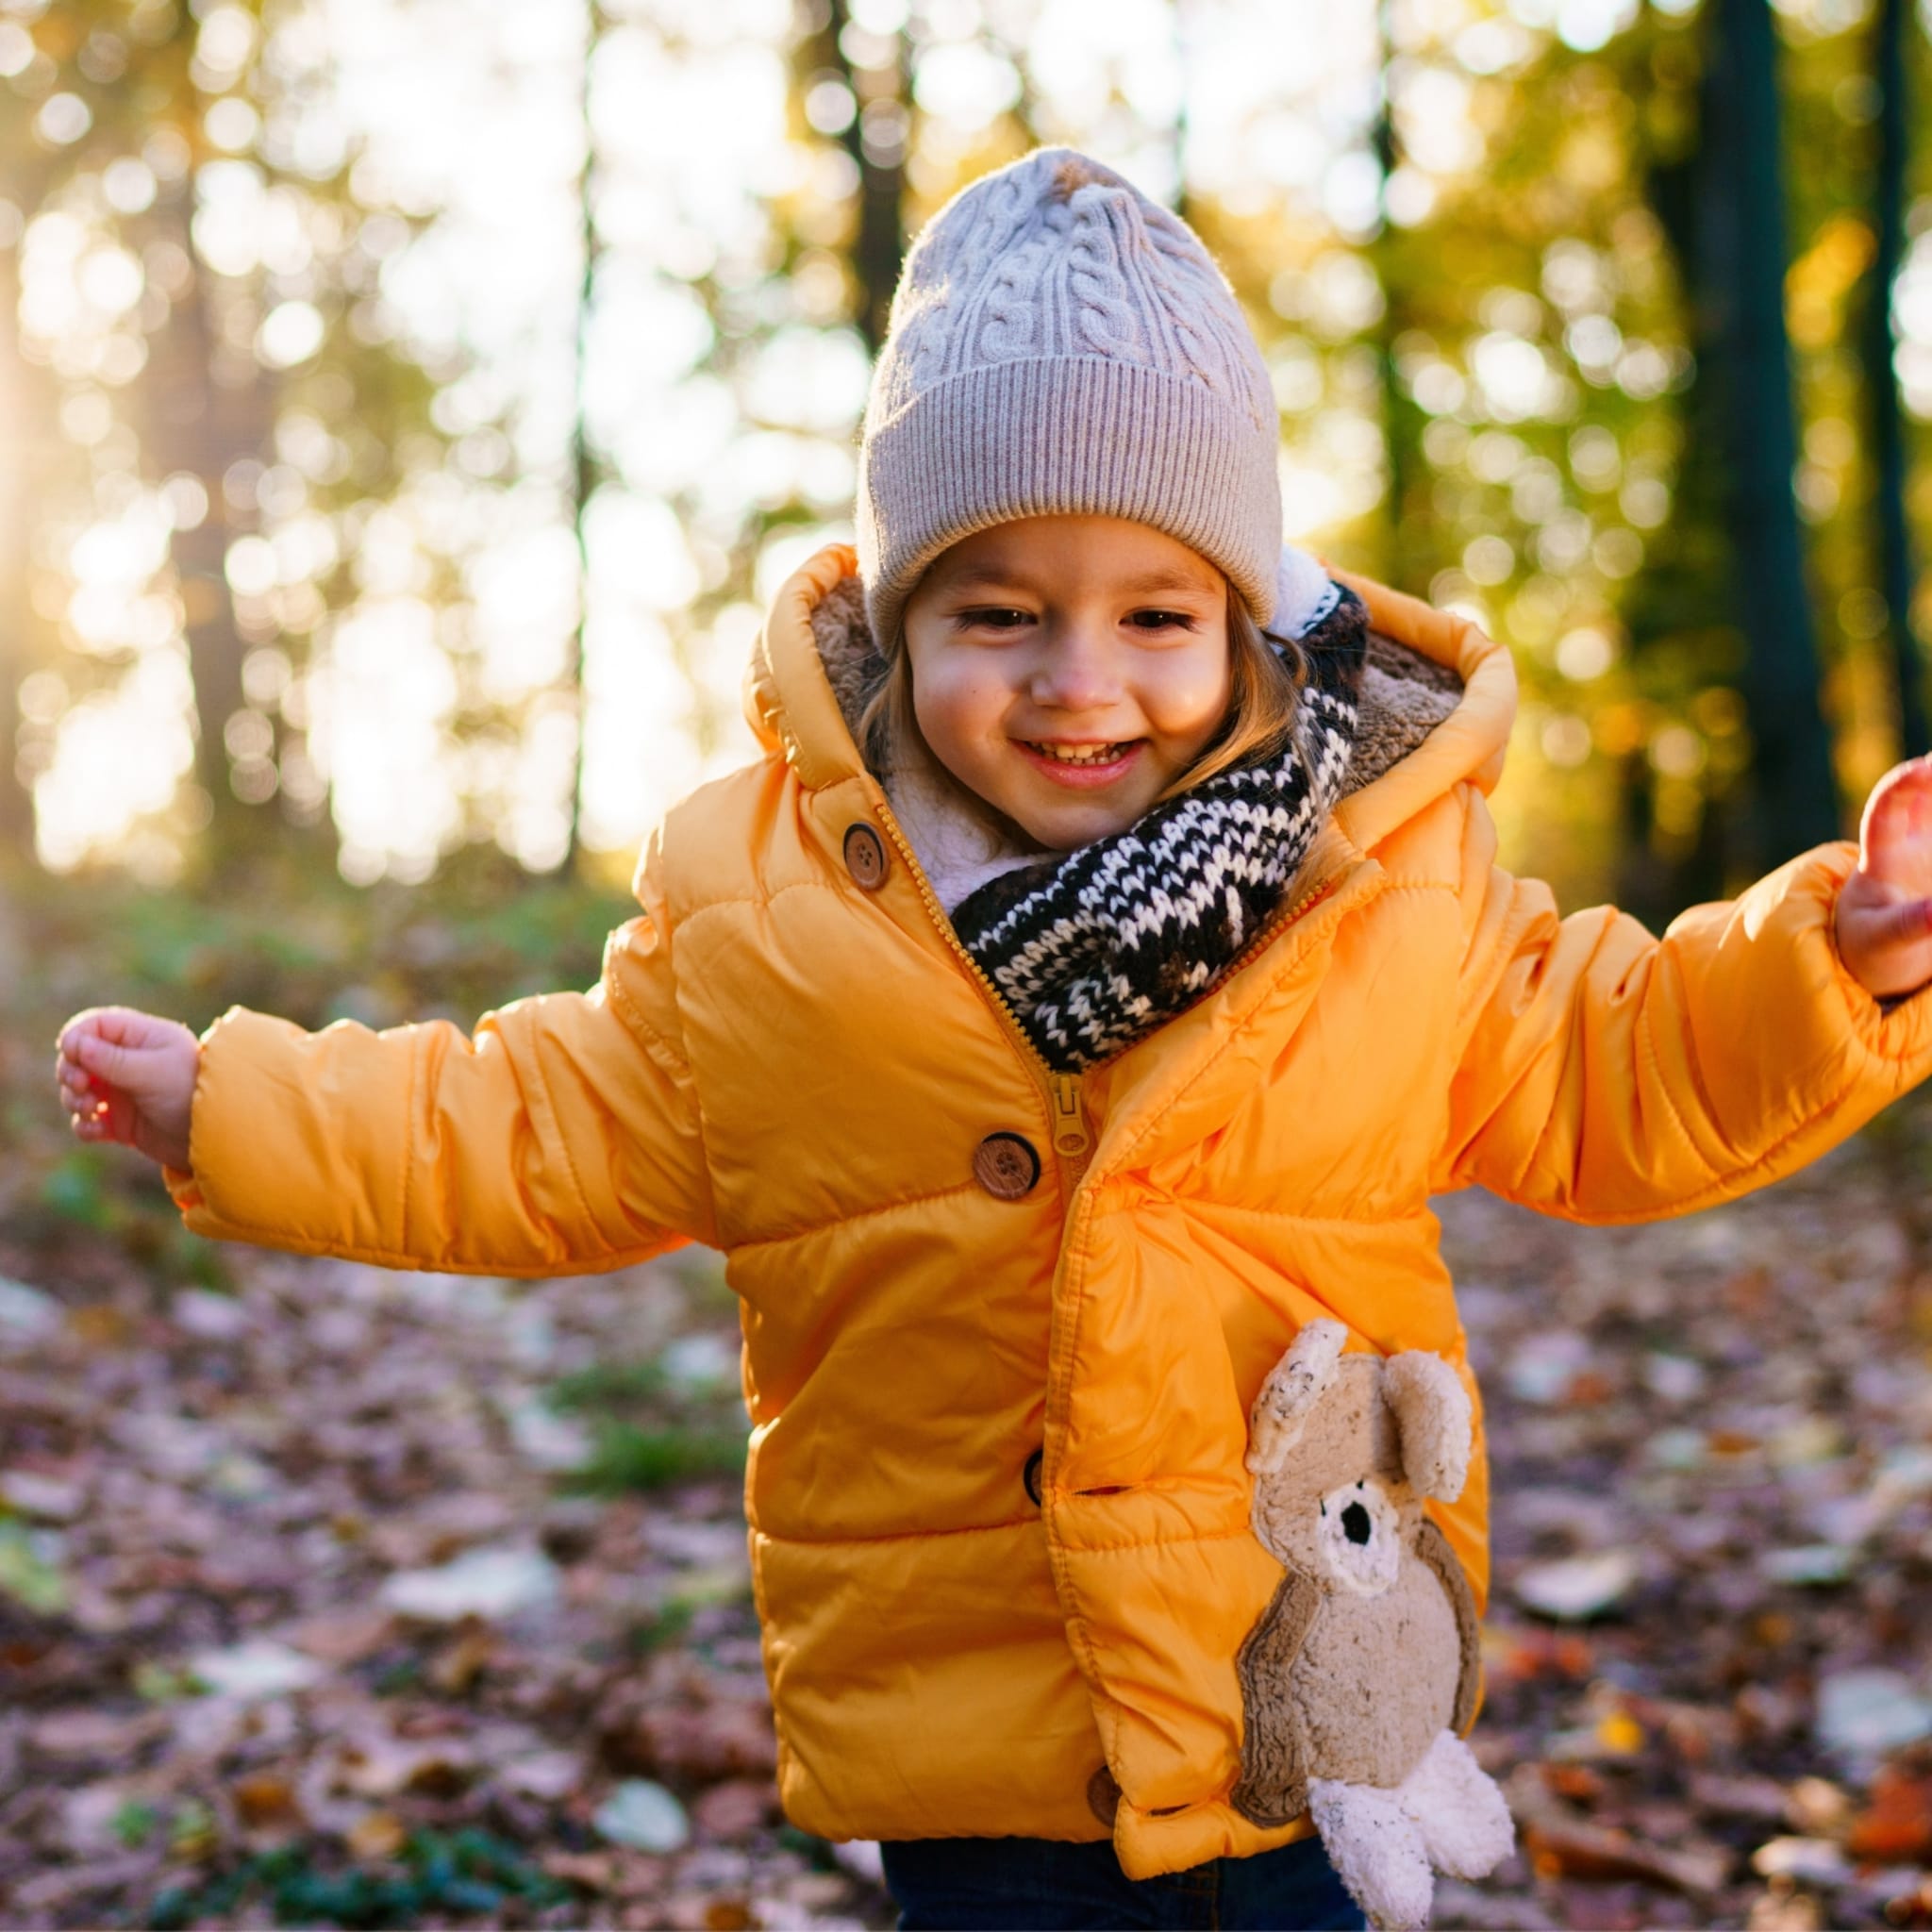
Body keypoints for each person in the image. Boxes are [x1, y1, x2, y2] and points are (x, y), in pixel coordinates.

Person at [53, 146, 1932, 1932]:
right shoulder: (772, 924)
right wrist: (239, 1100)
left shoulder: (1377, 888)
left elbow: (1613, 1057)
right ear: (894, 617)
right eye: (1000, 613)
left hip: (1303, 1688)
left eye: (1154, 613)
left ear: (1250, 627)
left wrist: (1830, 961)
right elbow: (521, 1119)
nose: (1078, 679)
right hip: (975, 1741)